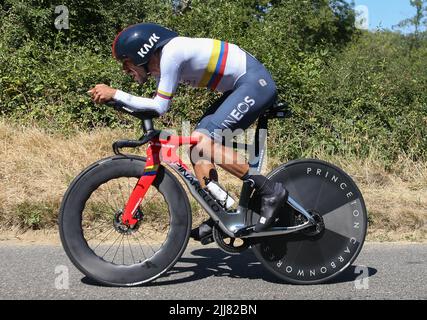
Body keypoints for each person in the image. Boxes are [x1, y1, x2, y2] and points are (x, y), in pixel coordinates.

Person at [88, 23, 288, 243]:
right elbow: (151, 106)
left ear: (142, 53)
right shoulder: (161, 65)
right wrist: (116, 101)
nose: (125, 71)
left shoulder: (171, 54)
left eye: (126, 63)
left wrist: (115, 93)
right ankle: (221, 213)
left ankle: (270, 191)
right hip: (240, 88)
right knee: (197, 148)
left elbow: (159, 107)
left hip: (254, 83)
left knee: (202, 142)